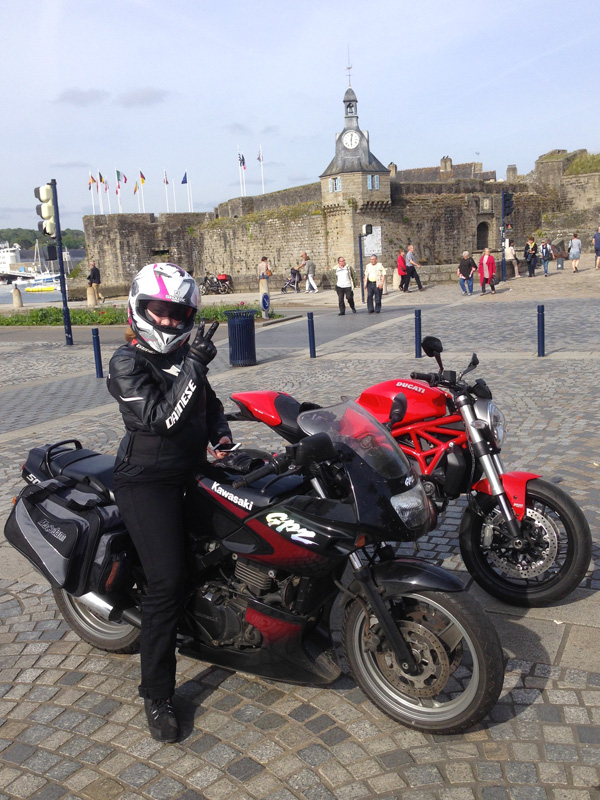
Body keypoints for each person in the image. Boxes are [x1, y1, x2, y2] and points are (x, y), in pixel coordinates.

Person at [107, 262, 233, 743]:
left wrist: (221, 435)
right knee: (167, 582)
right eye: (158, 311)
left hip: (190, 471)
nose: (167, 321)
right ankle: (156, 693)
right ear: (139, 310)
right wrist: (195, 364)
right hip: (146, 481)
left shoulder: (184, 357)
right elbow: (159, 419)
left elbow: (208, 404)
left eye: (177, 313)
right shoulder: (126, 362)